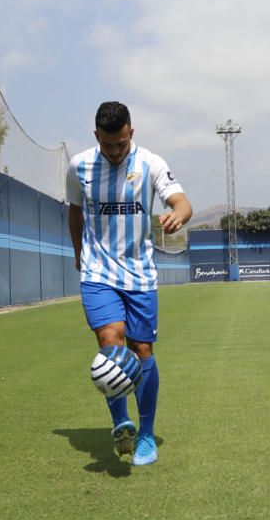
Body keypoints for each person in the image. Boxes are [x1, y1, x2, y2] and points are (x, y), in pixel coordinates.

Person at [66, 101, 192, 466]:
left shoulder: (151, 163)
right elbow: (74, 212)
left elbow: (182, 202)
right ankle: (121, 421)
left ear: (131, 133)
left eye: (121, 144)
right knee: (110, 342)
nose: (116, 152)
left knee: (142, 351)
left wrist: (177, 216)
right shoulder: (80, 166)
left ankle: (147, 434)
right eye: (108, 145)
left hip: (139, 274)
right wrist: (79, 254)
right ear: (97, 138)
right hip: (98, 272)